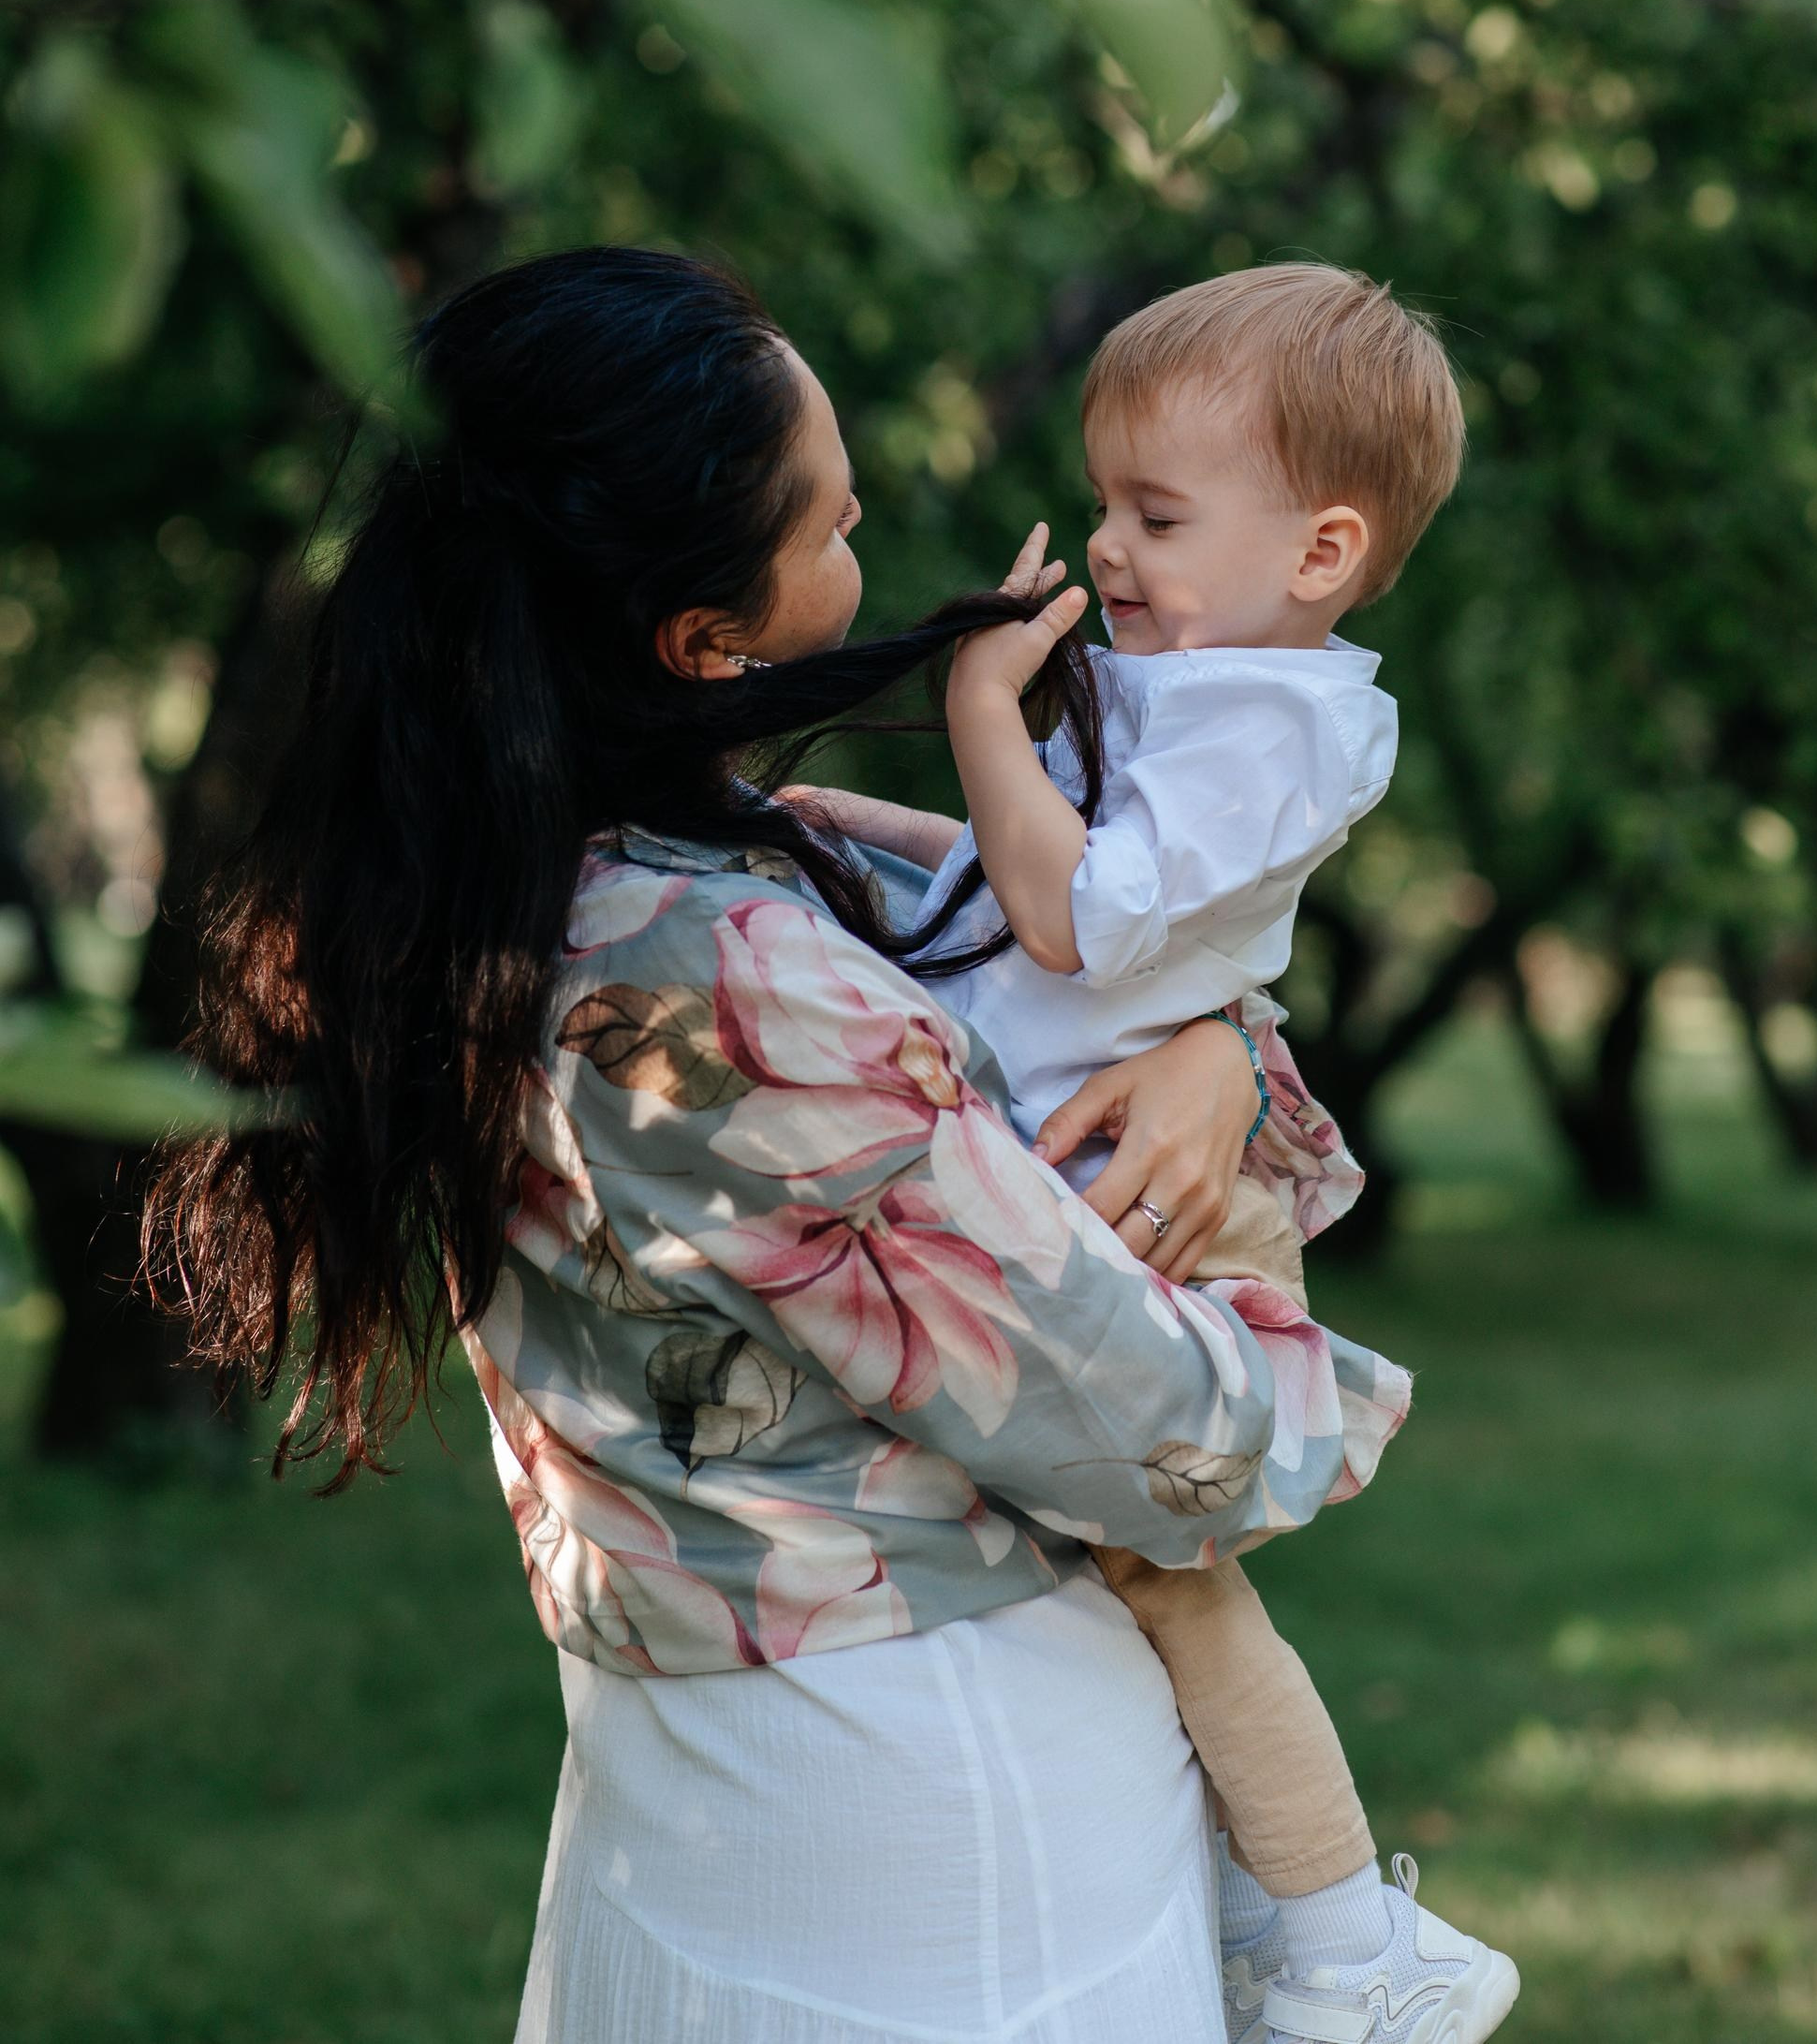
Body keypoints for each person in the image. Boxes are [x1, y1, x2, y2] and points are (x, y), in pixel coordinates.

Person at [146, 246, 1415, 2044]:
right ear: (700, 635)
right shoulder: (728, 979)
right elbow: (1171, 1442)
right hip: (932, 1838)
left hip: (671, 1800)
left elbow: (1067, 964)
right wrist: (1289, 1355)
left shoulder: (515, 893)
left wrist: (1214, 1042)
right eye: (830, 519)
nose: (868, 533)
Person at [803, 265, 1519, 2044]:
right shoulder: (1206, 686)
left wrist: (981, 712)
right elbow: (1017, 893)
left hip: (1161, 1203)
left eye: (1159, 512)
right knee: (1117, 1584)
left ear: (1323, 550)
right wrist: (850, 823)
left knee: (1168, 1586)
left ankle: (1355, 1944)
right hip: (1116, 1150)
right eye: (1106, 501)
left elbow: (1071, 918)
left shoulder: (1269, 730)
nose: (1110, 547)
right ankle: (1261, 1898)